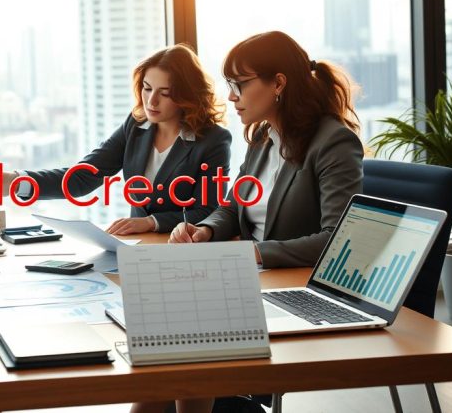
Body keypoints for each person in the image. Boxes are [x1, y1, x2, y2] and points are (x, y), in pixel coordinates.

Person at [142, 30, 363, 413]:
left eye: (239, 85)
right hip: (255, 277)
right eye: (230, 85)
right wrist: (206, 229)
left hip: (295, 285)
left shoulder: (333, 143)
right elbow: (233, 206)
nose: (231, 96)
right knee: (162, 329)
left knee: (181, 333)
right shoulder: (263, 137)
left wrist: (255, 253)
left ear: (278, 83)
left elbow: (338, 241)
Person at [0, 43, 231, 234]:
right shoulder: (136, 126)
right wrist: (14, 181)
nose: (151, 100)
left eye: (165, 92)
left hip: (182, 250)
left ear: (186, 95)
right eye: (147, 88)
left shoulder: (213, 141)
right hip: (136, 246)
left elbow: (206, 211)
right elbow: (81, 178)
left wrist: (152, 222)